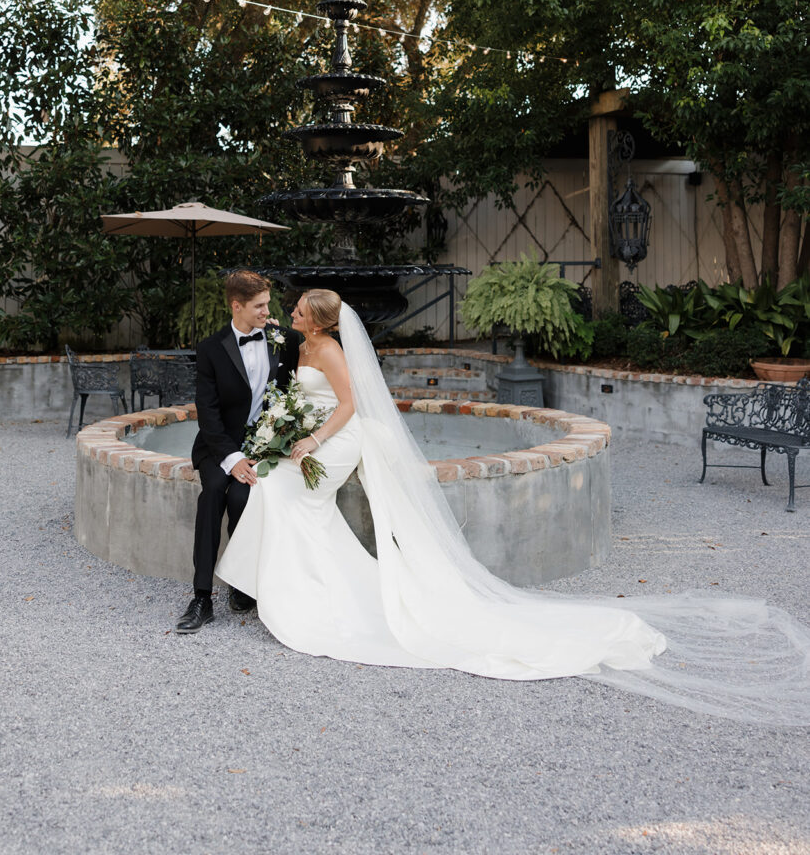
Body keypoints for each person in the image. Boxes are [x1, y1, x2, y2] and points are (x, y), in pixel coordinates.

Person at [215, 290, 810, 725]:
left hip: (338, 442)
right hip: (313, 438)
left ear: (315, 321)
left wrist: (314, 440)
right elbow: (301, 398)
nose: (287, 314)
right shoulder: (305, 346)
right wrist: (287, 430)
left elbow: (347, 409)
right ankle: (269, 585)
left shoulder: (334, 352)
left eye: (294, 310)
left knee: (288, 494)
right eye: (286, 309)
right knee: (277, 490)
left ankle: (300, 593)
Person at [176, 271, 300, 633]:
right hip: (217, 446)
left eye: (267, 304)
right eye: (259, 306)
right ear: (237, 306)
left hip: (262, 446)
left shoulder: (283, 340)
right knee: (213, 491)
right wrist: (232, 459)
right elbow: (208, 414)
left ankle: (241, 584)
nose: (267, 311)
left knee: (244, 497)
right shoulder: (211, 349)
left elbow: (303, 380)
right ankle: (202, 597)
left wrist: (271, 445)